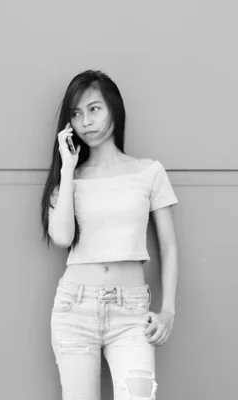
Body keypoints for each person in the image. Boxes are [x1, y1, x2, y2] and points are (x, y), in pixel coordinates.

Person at [40, 70, 179, 400]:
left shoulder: (149, 172)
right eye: (76, 114)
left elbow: (169, 247)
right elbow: (61, 238)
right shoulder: (68, 179)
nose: (85, 122)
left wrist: (168, 309)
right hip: (74, 309)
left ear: (114, 108)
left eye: (94, 109)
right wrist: (68, 168)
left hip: (131, 313)